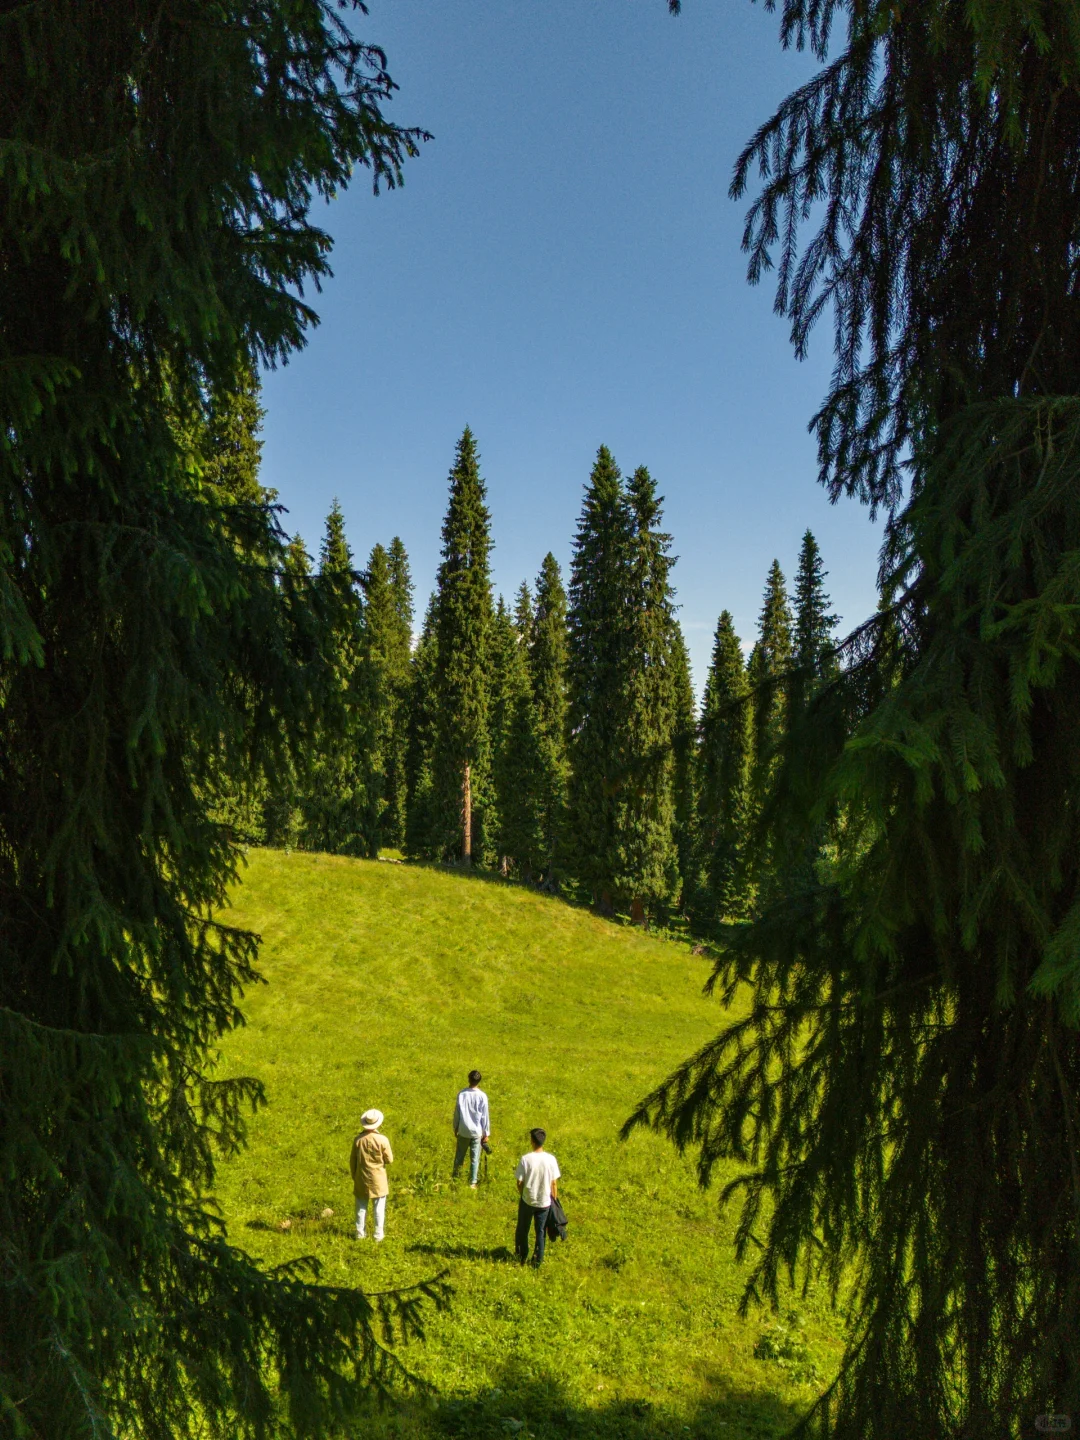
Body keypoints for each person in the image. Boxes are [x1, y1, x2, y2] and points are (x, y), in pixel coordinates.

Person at [514, 1127, 560, 1267]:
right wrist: (553, 1199)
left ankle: (522, 1255)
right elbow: (554, 1183)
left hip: (528, 1200)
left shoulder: (526, 1159)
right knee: (540, 1232)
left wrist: (523, 1194)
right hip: (544, 1202)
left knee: (523, 1229)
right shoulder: (551, 1159)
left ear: (532, 1141)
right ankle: (537, 1260)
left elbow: (519, 1182)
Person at [350, 1108, 393, 1241]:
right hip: (378, 1178)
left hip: (361, 1177)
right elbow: (389, 1160)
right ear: (378, 1124)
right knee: (379, 1208)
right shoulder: (383, 1140)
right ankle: (378, 1235)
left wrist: (354, 1175)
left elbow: (352, 1160)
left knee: (361, 1207)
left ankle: (359, 1234)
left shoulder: (358, 1140)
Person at [452, 1069, 490, 1188]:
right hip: (476, 1132)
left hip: (463, 1130)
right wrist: (486, 1133)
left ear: (469, 1079)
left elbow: (457, 1113)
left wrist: (455, 1126)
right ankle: (472, 1182)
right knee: (475, 1158)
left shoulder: (462, 1094)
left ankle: (455, 1178)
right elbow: (485, 1115)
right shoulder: (482, 1096)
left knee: (459, 1156)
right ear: (479, 1081)